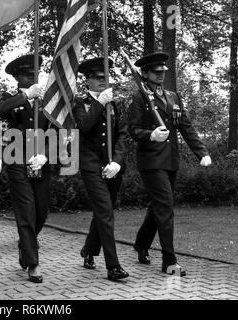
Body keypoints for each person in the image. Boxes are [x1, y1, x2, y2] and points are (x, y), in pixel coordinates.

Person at [128, 52, 212, 276]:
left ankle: (141, 244)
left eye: (162, 72)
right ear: (144, 74)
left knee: (158, 208)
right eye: (155, 72)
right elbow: (133, 130)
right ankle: (169, 261)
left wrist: (201, 152)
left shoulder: (173, 97)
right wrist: (151, 134)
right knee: (165, 206)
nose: (160, 75)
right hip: (151, 160)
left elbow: (186, 126)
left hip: (170, 160)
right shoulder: (139, 97)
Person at [0, 54, 51, 284]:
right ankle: (33, 262)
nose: (32, 76)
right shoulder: (11, 98)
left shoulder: (47, 101)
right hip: (17, 161)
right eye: (27, 73)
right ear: (17, 77)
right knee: (26, 212)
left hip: (41, 162)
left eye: (34, 72)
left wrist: (46, 154)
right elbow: (0, 110)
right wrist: (26, 95)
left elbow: (54, 130)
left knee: (42, 212)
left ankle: (25, 244)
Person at [72, 57, 130, 281]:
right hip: (91, 166)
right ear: (87, 80)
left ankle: (88, 250)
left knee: (103, 212)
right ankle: (113, 267)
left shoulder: (114, 103)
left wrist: (116, 161)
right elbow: (83, 127)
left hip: (113, 166)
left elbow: (123, 134)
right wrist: (98, 104)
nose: (103, 81)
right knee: (105, 212)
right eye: (98, 77)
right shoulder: (80, 102)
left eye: (105, 77)